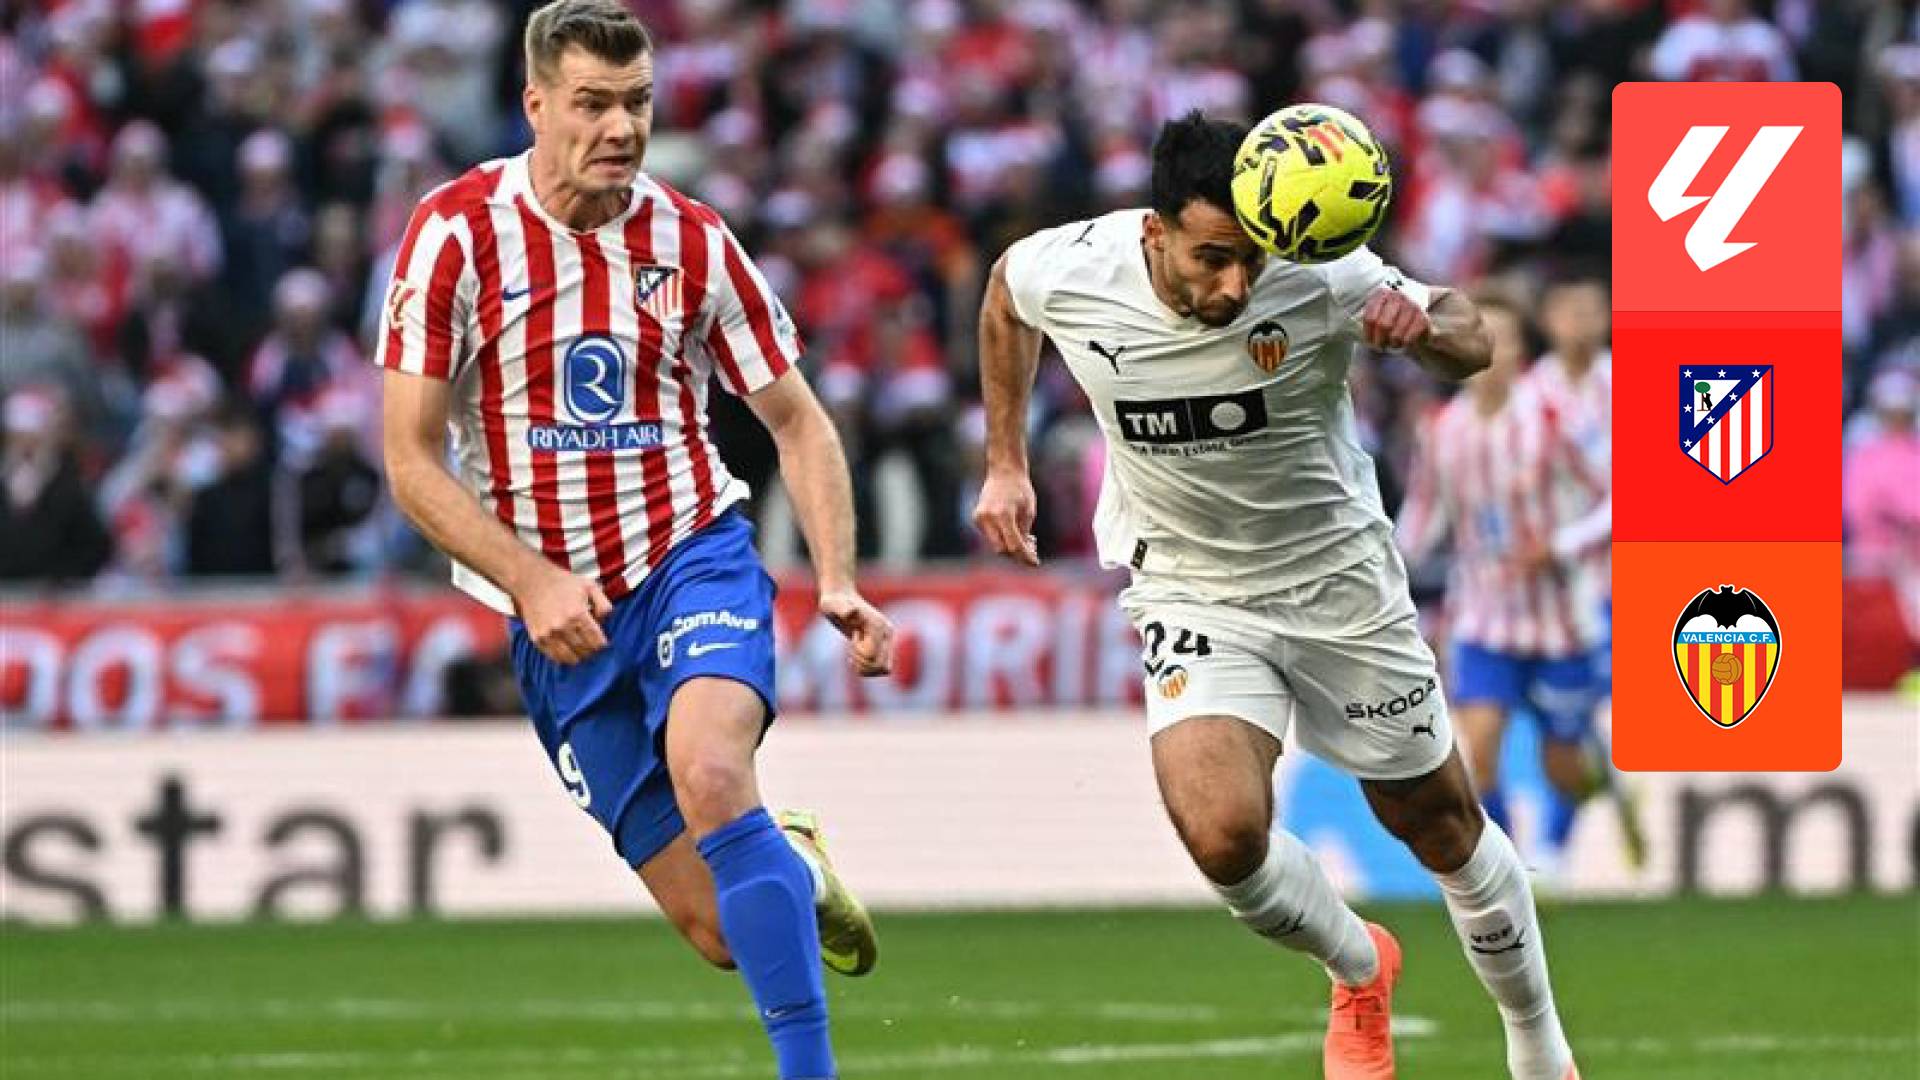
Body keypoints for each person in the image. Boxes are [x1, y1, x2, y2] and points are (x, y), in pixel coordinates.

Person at [972, 112, 1580, 1080]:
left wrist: (1422, 330)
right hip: (1192, 585)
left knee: (1439, 827)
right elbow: (1006, 297)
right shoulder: (1072, 267)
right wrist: (1005, 460)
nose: (1235, 286)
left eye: (1249, 261)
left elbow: (1472, 340)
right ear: (1154, 232)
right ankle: (1358, 964)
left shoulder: (1320, 268)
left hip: (1339, 583)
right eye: (1212, 259)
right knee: (1223, 837)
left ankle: (1539, 1046)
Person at [375, 5, 894, 1078]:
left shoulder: (694, 240)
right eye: (594, 104)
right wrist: (529, 580)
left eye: (639, 103)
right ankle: (790, 862)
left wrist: (838, 578)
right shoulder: (456, 232)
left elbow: (798, 422)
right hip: (556, 620)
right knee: (722, 931)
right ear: (535, 105)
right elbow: (410, 460)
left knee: (710, 767)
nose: (621, 128)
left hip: (688, 556)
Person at [1396, 295, 1617, 883]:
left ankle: (1583, 797)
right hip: (1482, 618)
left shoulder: (1554, 420)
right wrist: (1383, 565)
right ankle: (1518, 869)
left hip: (1558, 620)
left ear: (1520, 350)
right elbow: (1423, 517)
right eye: (1479, 336)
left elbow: (1616, 500)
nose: (1490, 351)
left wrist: (1561, 545)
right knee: (1482, 750)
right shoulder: (1442, 429)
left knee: (1564, 767)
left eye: (1504, 338)